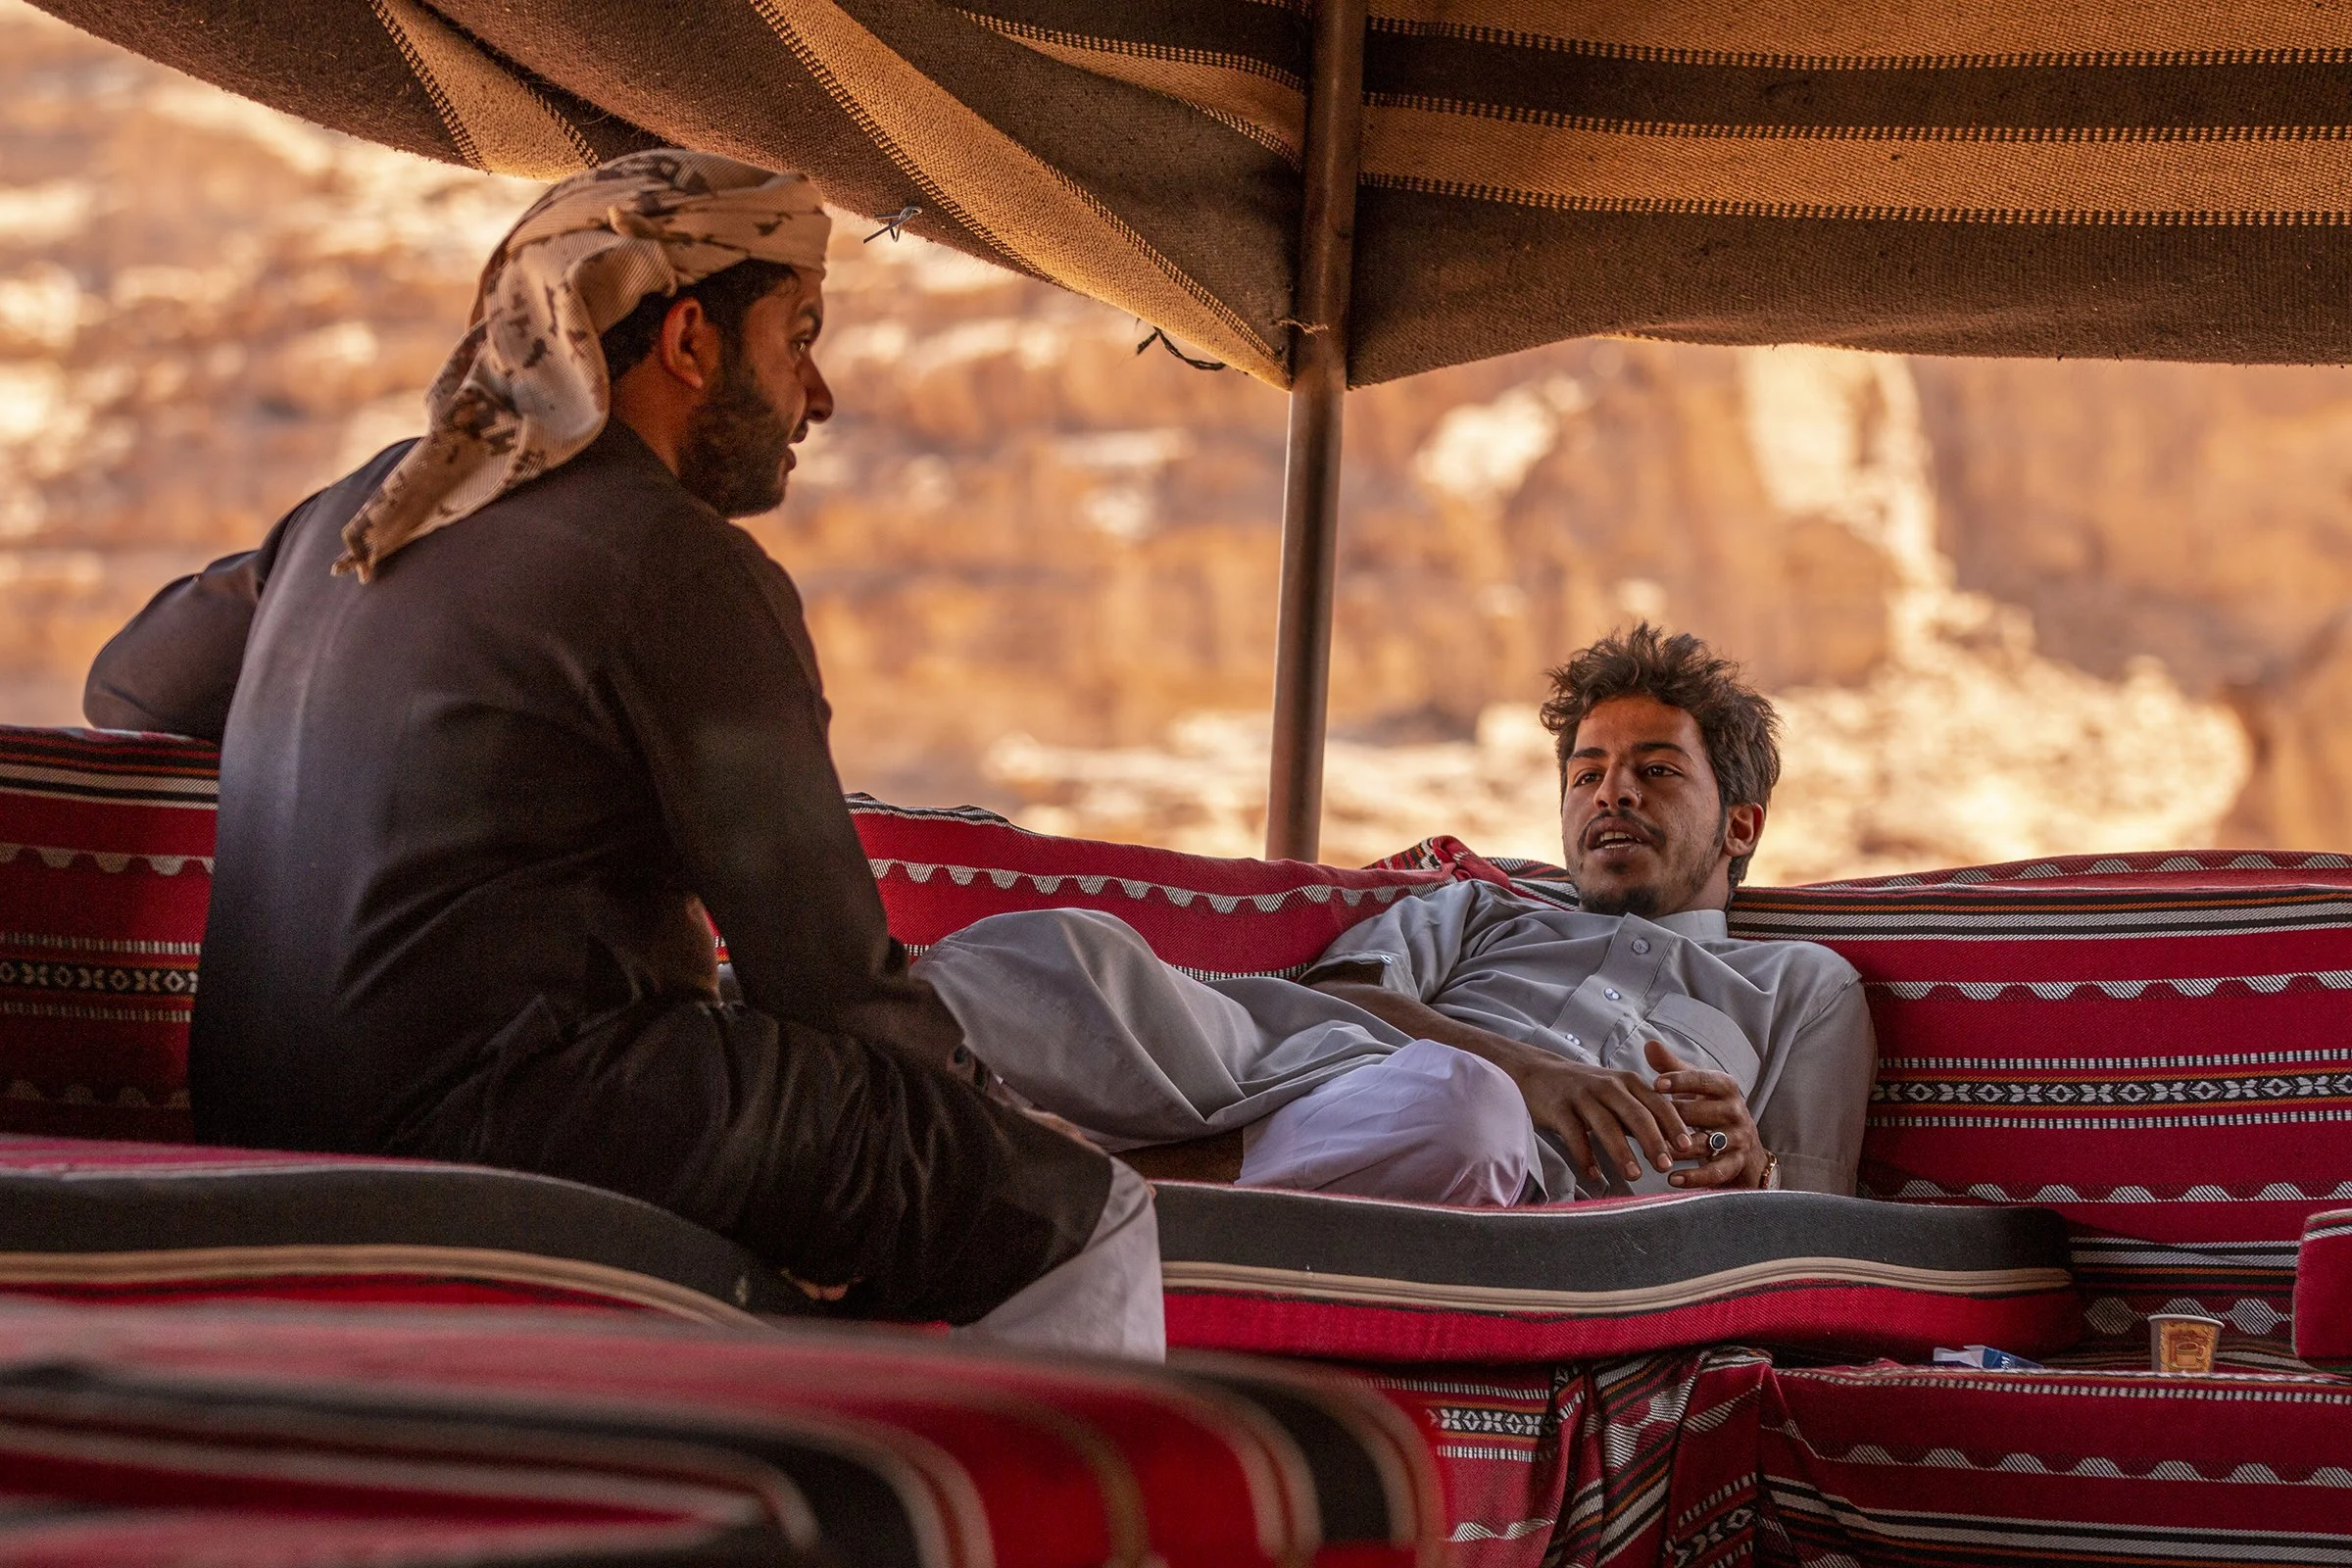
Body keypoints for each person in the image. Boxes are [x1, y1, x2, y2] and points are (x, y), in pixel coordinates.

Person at [81, 151, 1160, 1357]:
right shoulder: (675, 562)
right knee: (1079, 1210)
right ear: (689, 340)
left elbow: (128, 683)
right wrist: (991, 1130)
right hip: (521, 1120)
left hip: (261, 1108)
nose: (820, 394)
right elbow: (831, 982)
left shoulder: (366, 508)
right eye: (797, 336)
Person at [916, 624, 1876, 1202]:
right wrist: (1534, 1069)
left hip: (1474, 1158)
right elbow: (1340, 993)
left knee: (1465, 1113)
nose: (1610, 795)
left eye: (1655, 771)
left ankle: (1101, 1179)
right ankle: (840, 1068)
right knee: (1070, 951)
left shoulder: (1800, 986)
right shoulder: (1480, 908)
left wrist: (1754, 1173)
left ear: (1740, 824)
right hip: (1290, 1070)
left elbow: (1825, 1216)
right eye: (1588, 773)